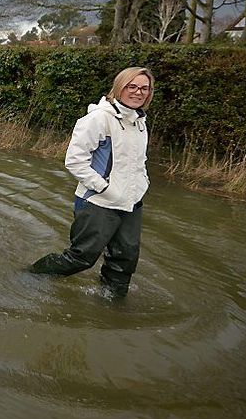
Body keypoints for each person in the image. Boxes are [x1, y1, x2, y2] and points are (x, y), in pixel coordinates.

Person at [29, 67, 154, 297]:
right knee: (81, 258)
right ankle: (30, 276)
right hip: (98, 202)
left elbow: (140, 162)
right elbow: (74, 161)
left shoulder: (140, 122)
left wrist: (141, 185)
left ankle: (112, 306)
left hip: (132, 204)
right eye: (132, 86)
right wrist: (106, 188)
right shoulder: (98, 118)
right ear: (119, 87)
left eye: (144, 88)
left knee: (125, 259)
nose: (138, 92)